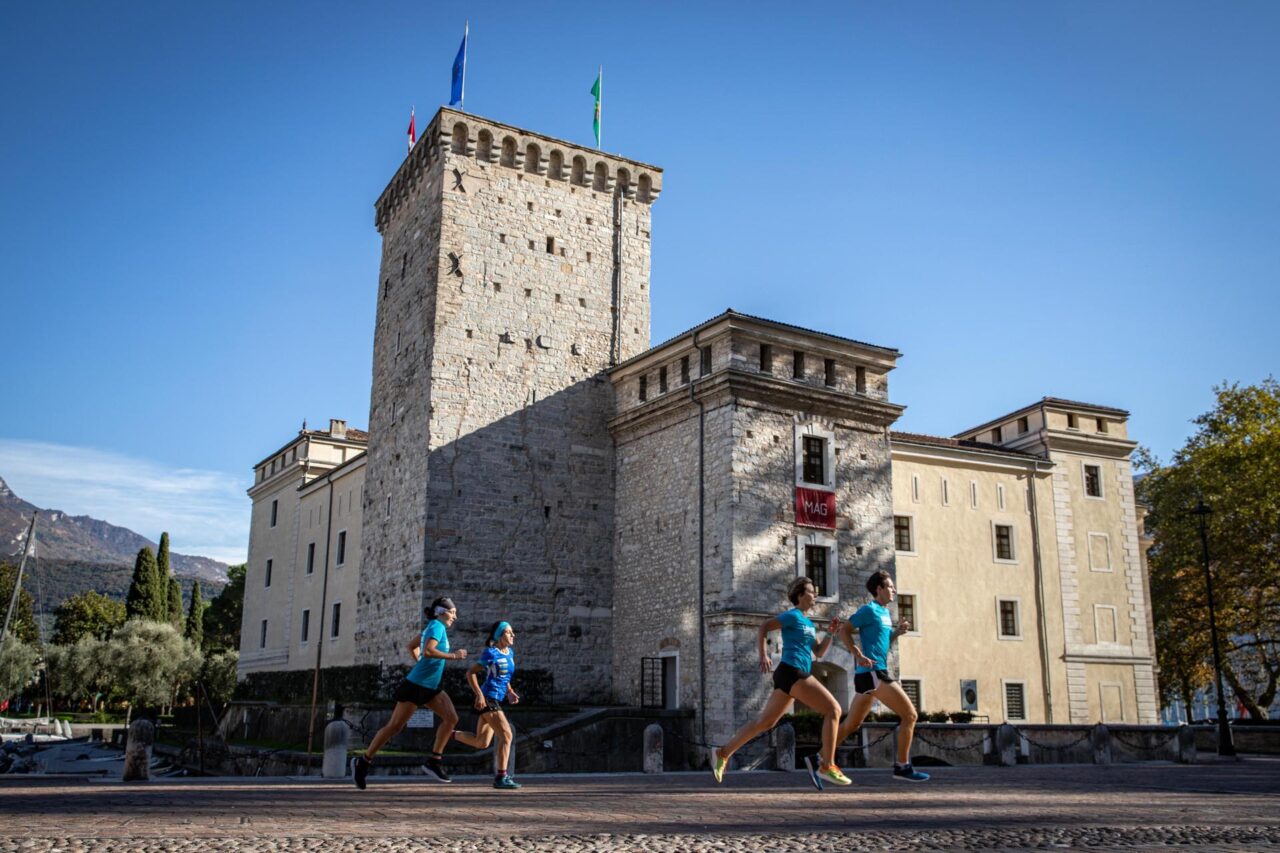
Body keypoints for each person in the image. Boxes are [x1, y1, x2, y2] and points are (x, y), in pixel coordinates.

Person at [711, 577, 851, 790]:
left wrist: (831, 633)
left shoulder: (808, 623)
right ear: (800, 595)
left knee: (765, 723)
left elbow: (819, 652)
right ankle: (827, 765)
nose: (815, 595)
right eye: (812, 592)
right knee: (833, 709)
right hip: (792, 671)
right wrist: (763, 655)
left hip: (793, 673)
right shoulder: (792, 616)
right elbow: (764, 628)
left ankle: (723, 752)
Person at [352, 596, 467, 789]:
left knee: (451, 718)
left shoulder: (434, 628)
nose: (455, 616)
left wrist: (421, 665)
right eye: (453, 612)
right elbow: (429, 651)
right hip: (416, 685)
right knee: (394, 727)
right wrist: (453, 656)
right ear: (442, 612)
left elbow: (412, 646)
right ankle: (363, 761)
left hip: (430, 686)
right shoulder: (437, 626)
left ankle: (434, 761)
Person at [833, 570, 930, 782]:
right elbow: (844, 631)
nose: (894, 590)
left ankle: (820, 757)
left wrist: (897, 633)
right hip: (873, 672)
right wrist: (857, 654)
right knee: (910, 715)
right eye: (890, 586)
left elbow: (882, 646)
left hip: (871, 673)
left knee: (851, 725)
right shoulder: (869, 610)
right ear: (879, 589)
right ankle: (903, 767)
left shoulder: (885, 613)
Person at [453, 620, 522, 789]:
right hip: (487, 699)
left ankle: (449, 733)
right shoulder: (490, 653)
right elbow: (470, 673)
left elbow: (504, 677)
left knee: (481, 743)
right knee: (506, 735)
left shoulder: (510, 653)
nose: (512, 635)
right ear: (499, 636)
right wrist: (479, 695)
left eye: (513, 632)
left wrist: (510, 691)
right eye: (508, 632)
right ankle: (502, 777)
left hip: (496, 699)